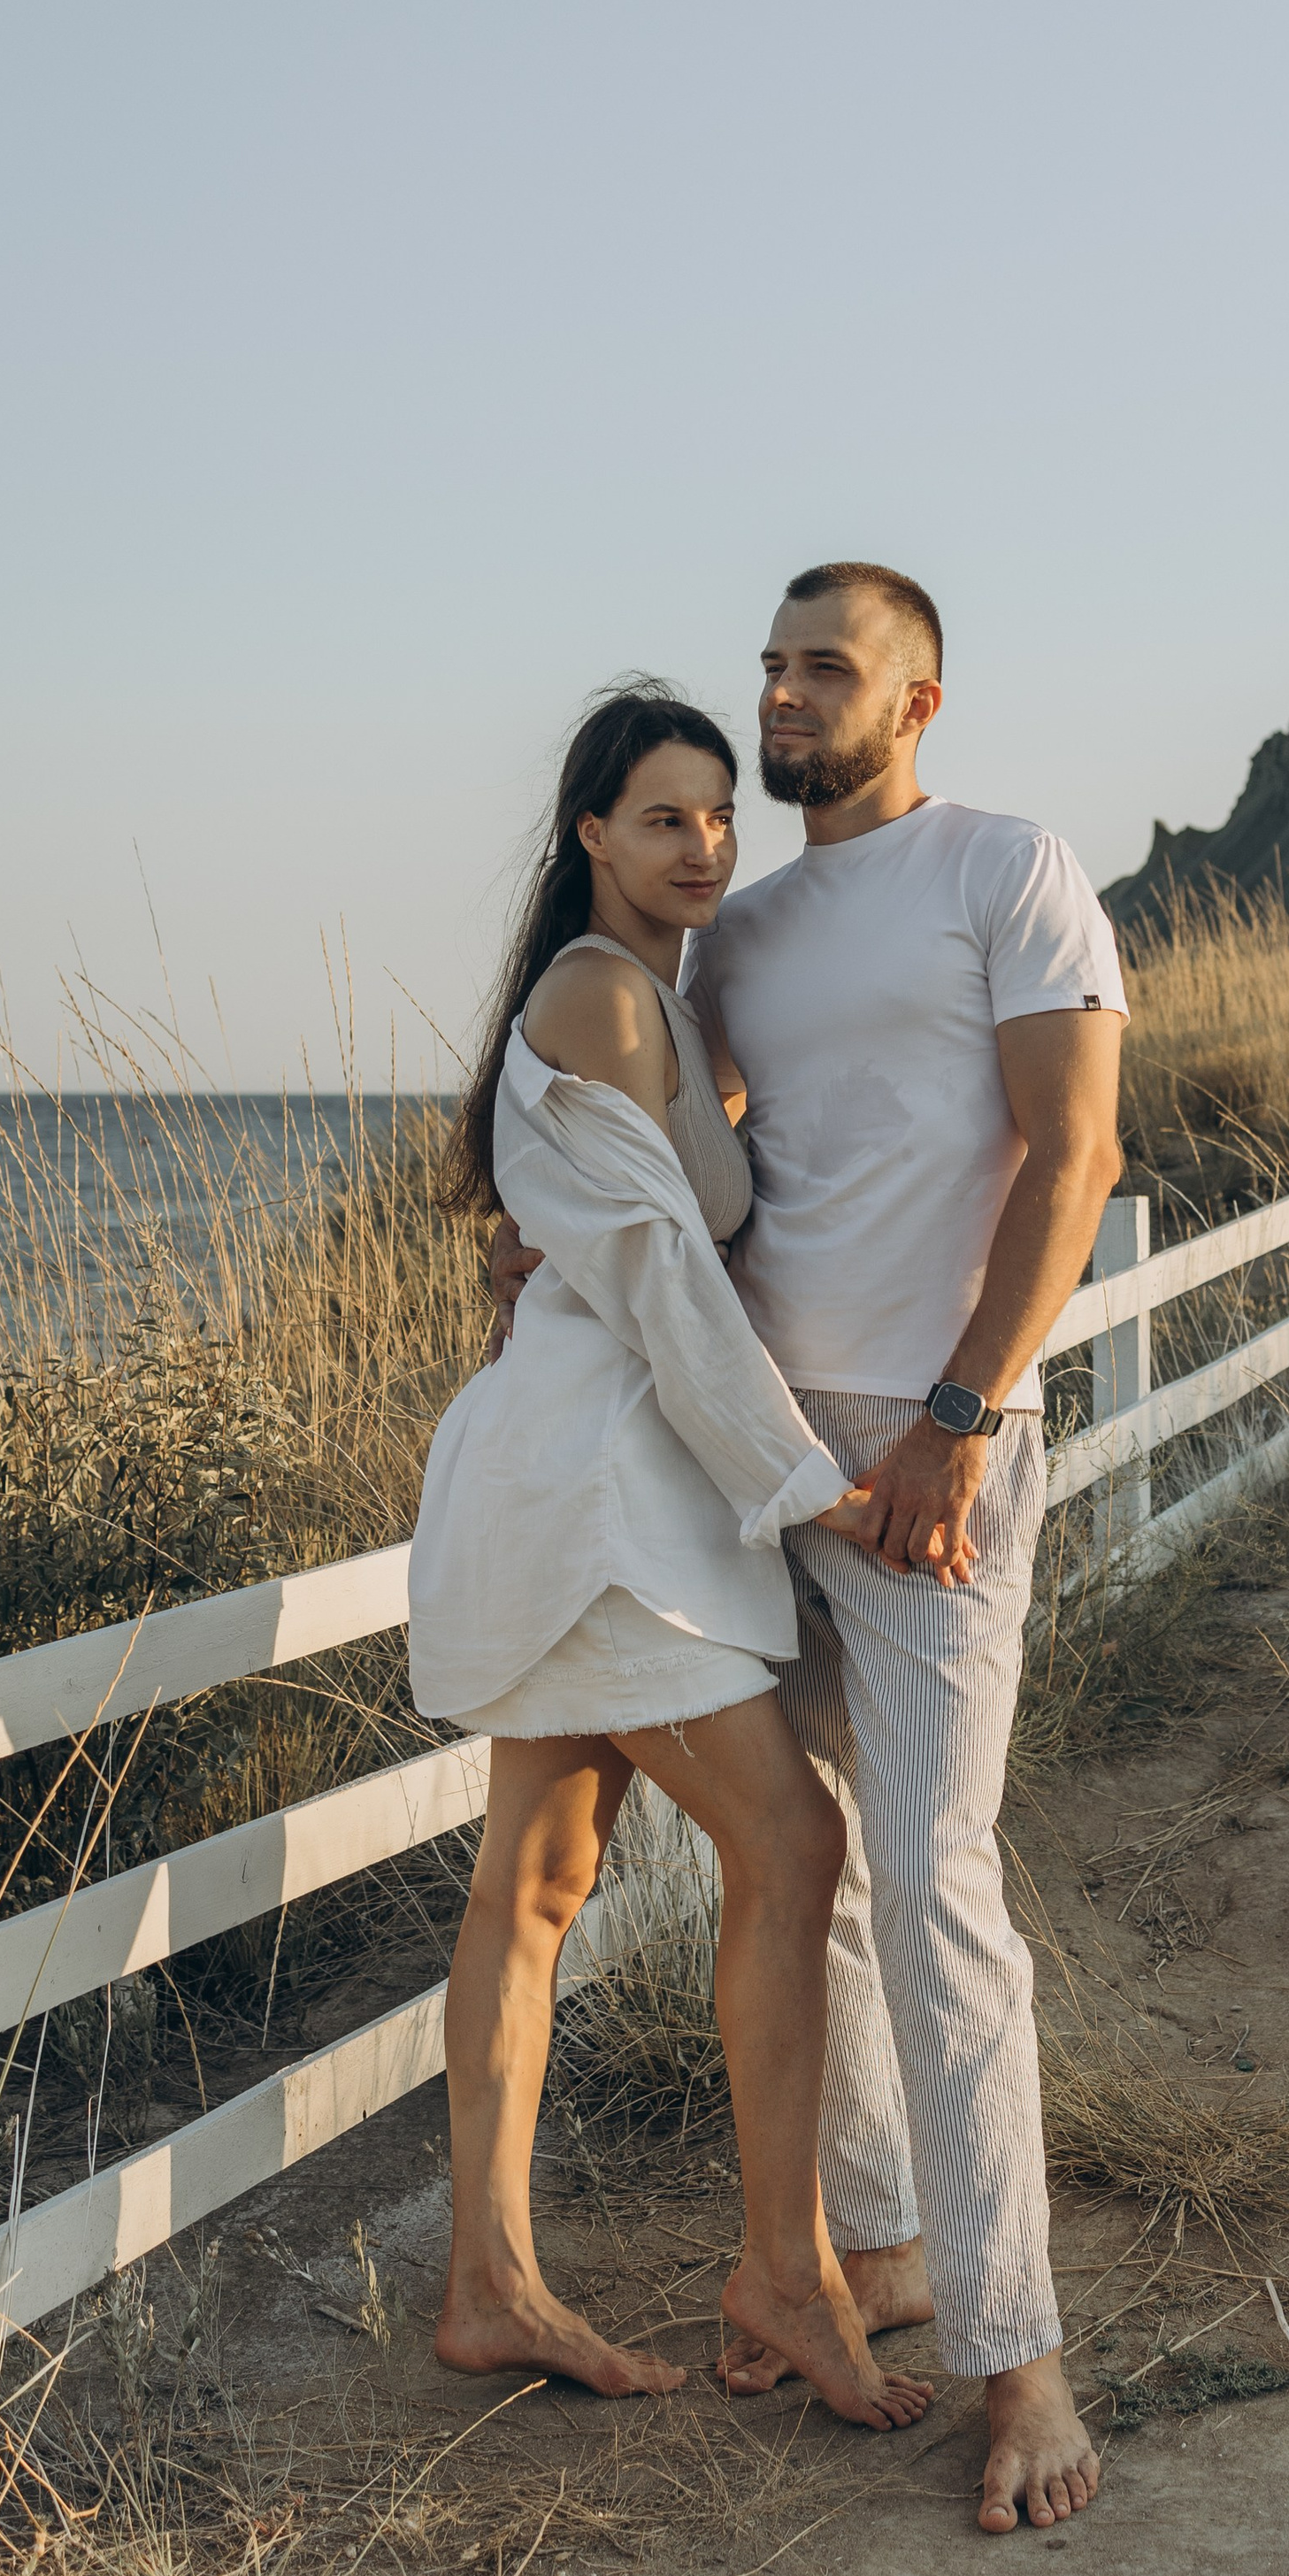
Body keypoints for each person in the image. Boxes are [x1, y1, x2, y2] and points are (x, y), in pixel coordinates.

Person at [492, 566, 1126, 2534]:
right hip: (751, 1464)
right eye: (771, 664)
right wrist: (545, 1228)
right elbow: (679, 1154)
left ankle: (1014, 2365)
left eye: (822, 667)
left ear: (917, 700)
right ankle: (866, 2253)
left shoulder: (1007, 872)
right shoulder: (727, 932)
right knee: (815, 1879)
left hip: (925, 1454)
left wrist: (958, 1415)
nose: (781, 695)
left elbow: (1073, 1152)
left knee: (936, 1887)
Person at [416, 683, 932, 2432]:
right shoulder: (599, 993)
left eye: (720, 814)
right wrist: (808, 1485)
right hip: (602, 1495)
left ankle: (491, 2283)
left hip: (589, 1475)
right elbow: (659, 1285)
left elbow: (618, 1232)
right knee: (790, 1840)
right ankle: (782, 2270)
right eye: (662, 816)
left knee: (535, 1889)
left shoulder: (647, 997)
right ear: (590, 836)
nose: (702, 842)